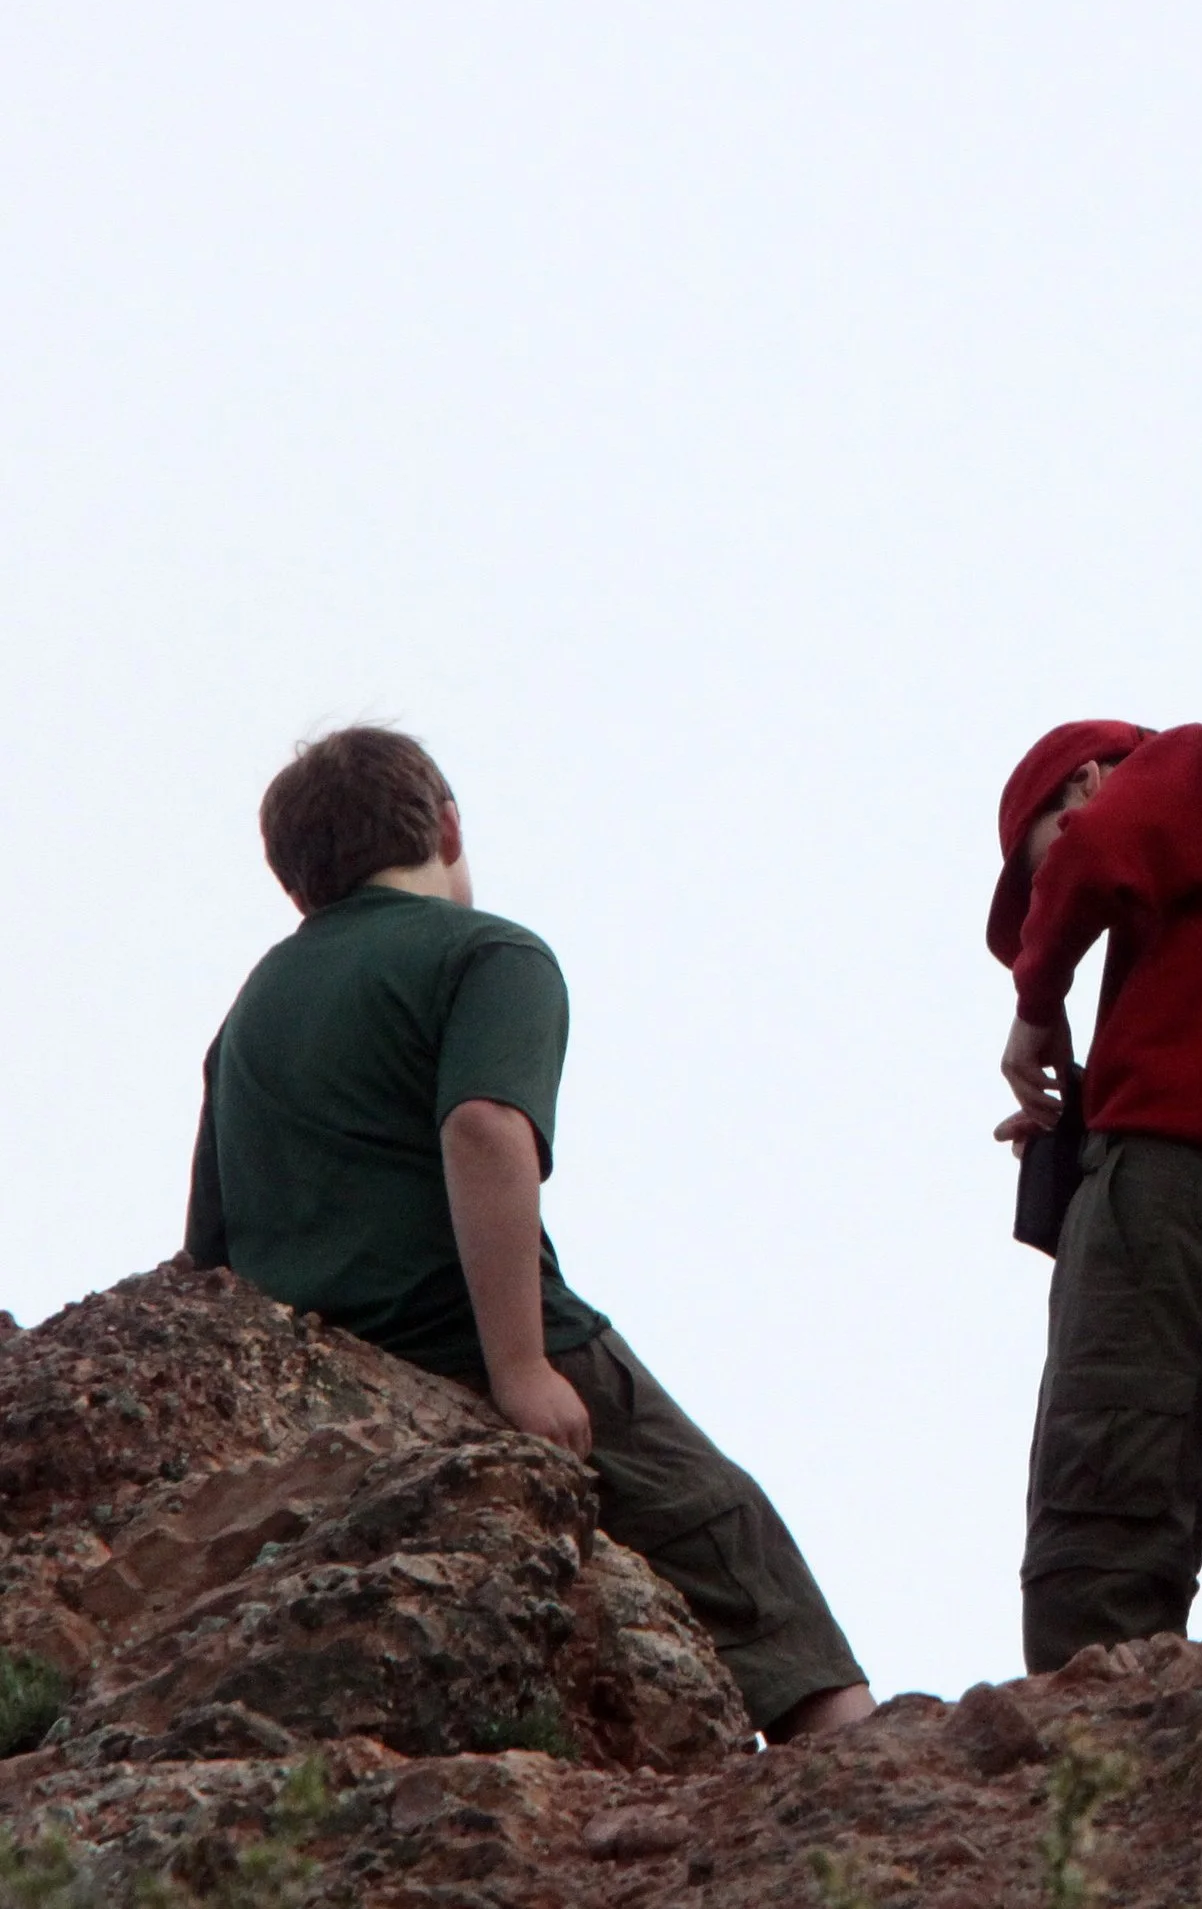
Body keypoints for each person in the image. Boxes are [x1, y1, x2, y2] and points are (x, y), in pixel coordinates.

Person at [183, 727, 871, 1742]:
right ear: (448, 825)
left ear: (298, 885)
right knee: (725, 1526)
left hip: (321, 1373)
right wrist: (520, 1364)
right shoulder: (486, 952)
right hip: (464, 1331)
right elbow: (483, 1126)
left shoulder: (250, 1014)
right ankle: (853, 1760)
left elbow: (205, 1259)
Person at [990, 719, 1202, 1672]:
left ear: (1090, 779)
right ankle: (1128, 1747)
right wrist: (1096, 1114)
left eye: (1040, 852)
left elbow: (1094, 852)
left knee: (1092, 1526)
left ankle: (1073, 1784)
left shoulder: (1189, 761)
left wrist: (1034, 1010)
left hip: (1167, 1197)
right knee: (1154, 1518)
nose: (1048, 889)